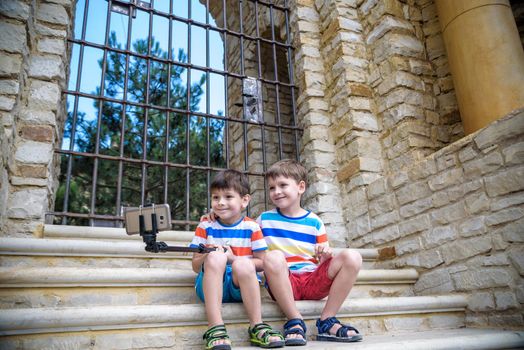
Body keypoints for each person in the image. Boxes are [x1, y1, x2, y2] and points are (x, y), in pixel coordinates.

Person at [258, 159, 363, 345]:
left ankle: (327, 320)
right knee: (273, 256)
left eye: (282, 185)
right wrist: (214, 218)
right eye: (272, 188)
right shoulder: (263, 219)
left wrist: (325, 256)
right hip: (284, 281)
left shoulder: (315, 222)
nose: (276, 191)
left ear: (300, 187)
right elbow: (241, 231)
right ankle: (294, 320)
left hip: (312, 279)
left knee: (352, 257)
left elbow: (322, 262)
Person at [190, 169, 285, 350]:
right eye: (216, 197)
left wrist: (234, 259)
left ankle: (257, 325)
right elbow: (195, 266)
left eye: (228, 197)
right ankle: (215, 326)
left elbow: (262, 262)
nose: (220, 203)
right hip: (209, 284)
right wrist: (207, 255)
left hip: (240, 285)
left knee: (242, 263)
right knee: (216, 257)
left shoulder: (252, 227)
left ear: (244, 200)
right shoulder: (205, 226)